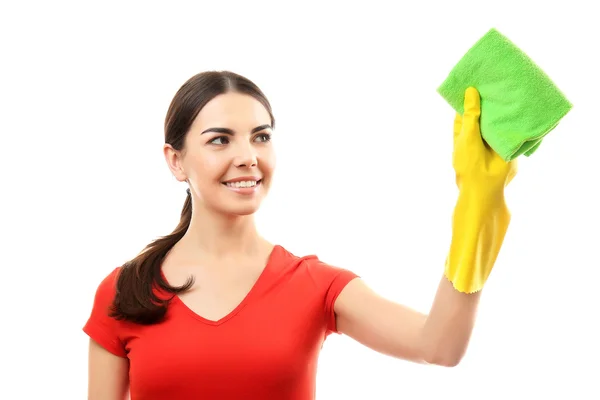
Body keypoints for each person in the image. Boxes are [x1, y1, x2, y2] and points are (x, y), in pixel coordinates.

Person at [83, 71, 517, 399]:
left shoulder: (314, 285)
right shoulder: (126, 290)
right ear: (176, 161)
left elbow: (438, 345)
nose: (248, 157)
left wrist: (476, 214)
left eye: (261, 137)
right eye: (220, 140)